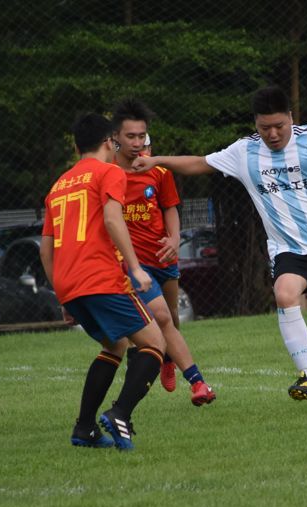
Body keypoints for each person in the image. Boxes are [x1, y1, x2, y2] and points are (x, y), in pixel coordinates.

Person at [131, 86, 307, 402]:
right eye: (265, 128)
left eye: (279, 126)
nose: (272, 134)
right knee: (285, 294)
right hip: (288, 248)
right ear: (256, 124)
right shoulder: (244, 151)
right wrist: (157, 161)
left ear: (290, 118)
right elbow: (200, 163)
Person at [40, 112, 167, 450]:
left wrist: (62, 294)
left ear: (76, 147)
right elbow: (112, 219)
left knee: (115, 345)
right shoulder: (109, 172)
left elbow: (46, 249)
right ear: (110, 142)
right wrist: (136, 268)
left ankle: (84, 429)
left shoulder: (58, 186)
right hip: (101, 278)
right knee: (155, 344)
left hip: (69, 284)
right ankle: (120, 413)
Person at [110, 98, 216, 406]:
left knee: (171, 318)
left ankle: (168, 359)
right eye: (130, 136)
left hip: (162, 256)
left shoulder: (157, 171)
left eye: (141, 136)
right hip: (132, 263)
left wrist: (173, 238)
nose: (137, 143)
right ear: (116, 137)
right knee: (159, 316)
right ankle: (197, 383)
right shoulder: (107, 173)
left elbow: (170, 208)